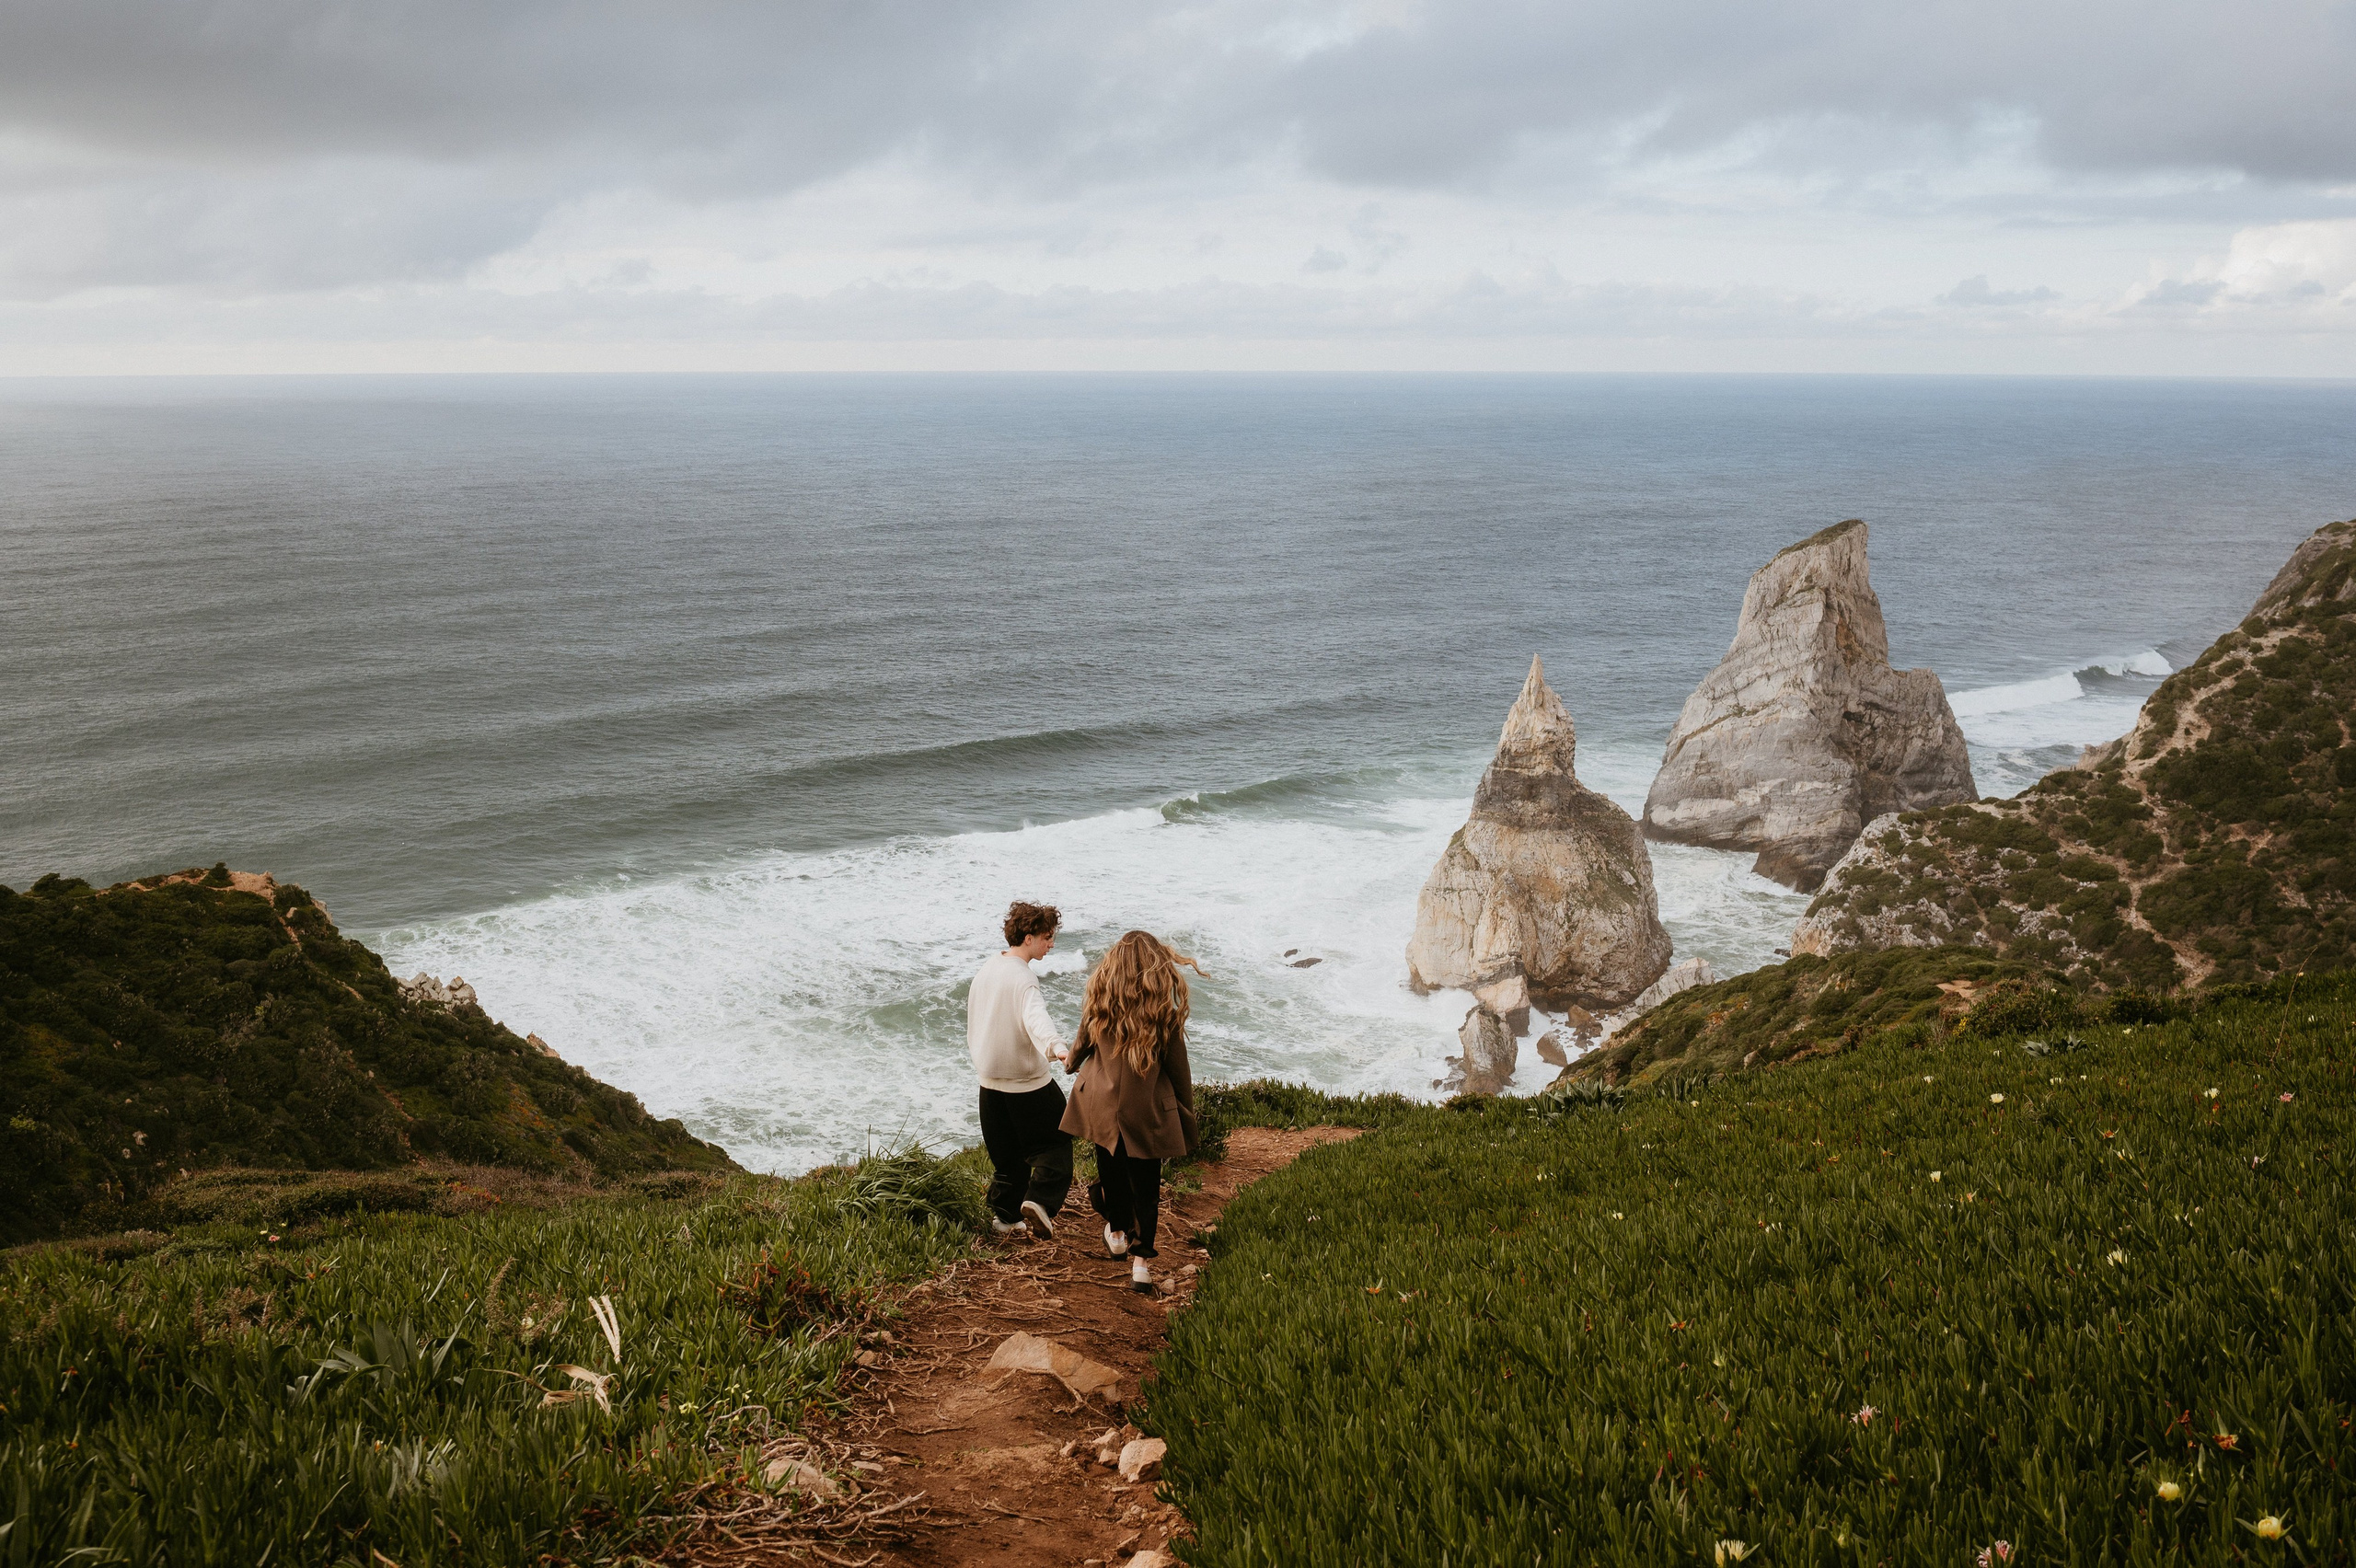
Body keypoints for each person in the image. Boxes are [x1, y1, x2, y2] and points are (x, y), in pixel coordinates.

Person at [1058, 929, 1203, 1294]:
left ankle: (1118, 1234)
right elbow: (1179, 1071)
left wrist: (1070, 1063)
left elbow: (1081, 1045)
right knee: (1146, 1188)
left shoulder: (1101, 1005)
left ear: (1114, 966)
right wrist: (1185, 1116)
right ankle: (1141, 1267)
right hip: (1147, 1112)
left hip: (1103, 1107)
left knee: (1111, 1176)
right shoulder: (1165, 1014)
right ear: (1156, 967)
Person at [966, 900, 1073, 1239]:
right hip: (1026, 1084)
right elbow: (1035, 1019)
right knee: (1057, 1144)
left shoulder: (988, 968)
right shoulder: (1023, 978)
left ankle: (1006, 1219)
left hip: (989, 1083)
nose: (1051, 944)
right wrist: (1058, 1047)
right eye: (1047, 937)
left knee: (1007, 1158)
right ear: (1029, 938)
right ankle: (1039, 1201)